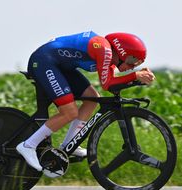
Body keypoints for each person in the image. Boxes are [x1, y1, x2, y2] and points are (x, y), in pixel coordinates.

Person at [16, 31, 155, 171]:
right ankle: (28, 145)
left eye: (137, 63)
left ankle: (68, 145)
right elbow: (107, 84)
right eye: (132, 61)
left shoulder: (111, 61)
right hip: (44, 61)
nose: (132, 66)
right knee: (69, 112)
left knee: (92, 98)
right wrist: (135, 75)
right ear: (121, 51)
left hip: (60, 66)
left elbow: (112, 86)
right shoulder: (104, 49)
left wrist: (136, 79)